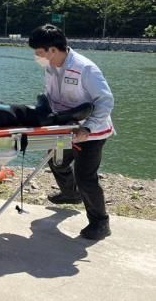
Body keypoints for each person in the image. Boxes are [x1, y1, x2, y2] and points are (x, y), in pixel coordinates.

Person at [28, 24, 114, 240]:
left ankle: (100, 223)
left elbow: (105, 101)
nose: (37, 57)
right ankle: (70, 193)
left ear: (52, 50)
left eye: (39, 52)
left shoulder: (85, 68)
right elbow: (50, 95)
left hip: (91, 132)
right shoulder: (51, 67)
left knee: (85, 177)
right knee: (55, 159)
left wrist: (88, 127)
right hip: (65, 128)